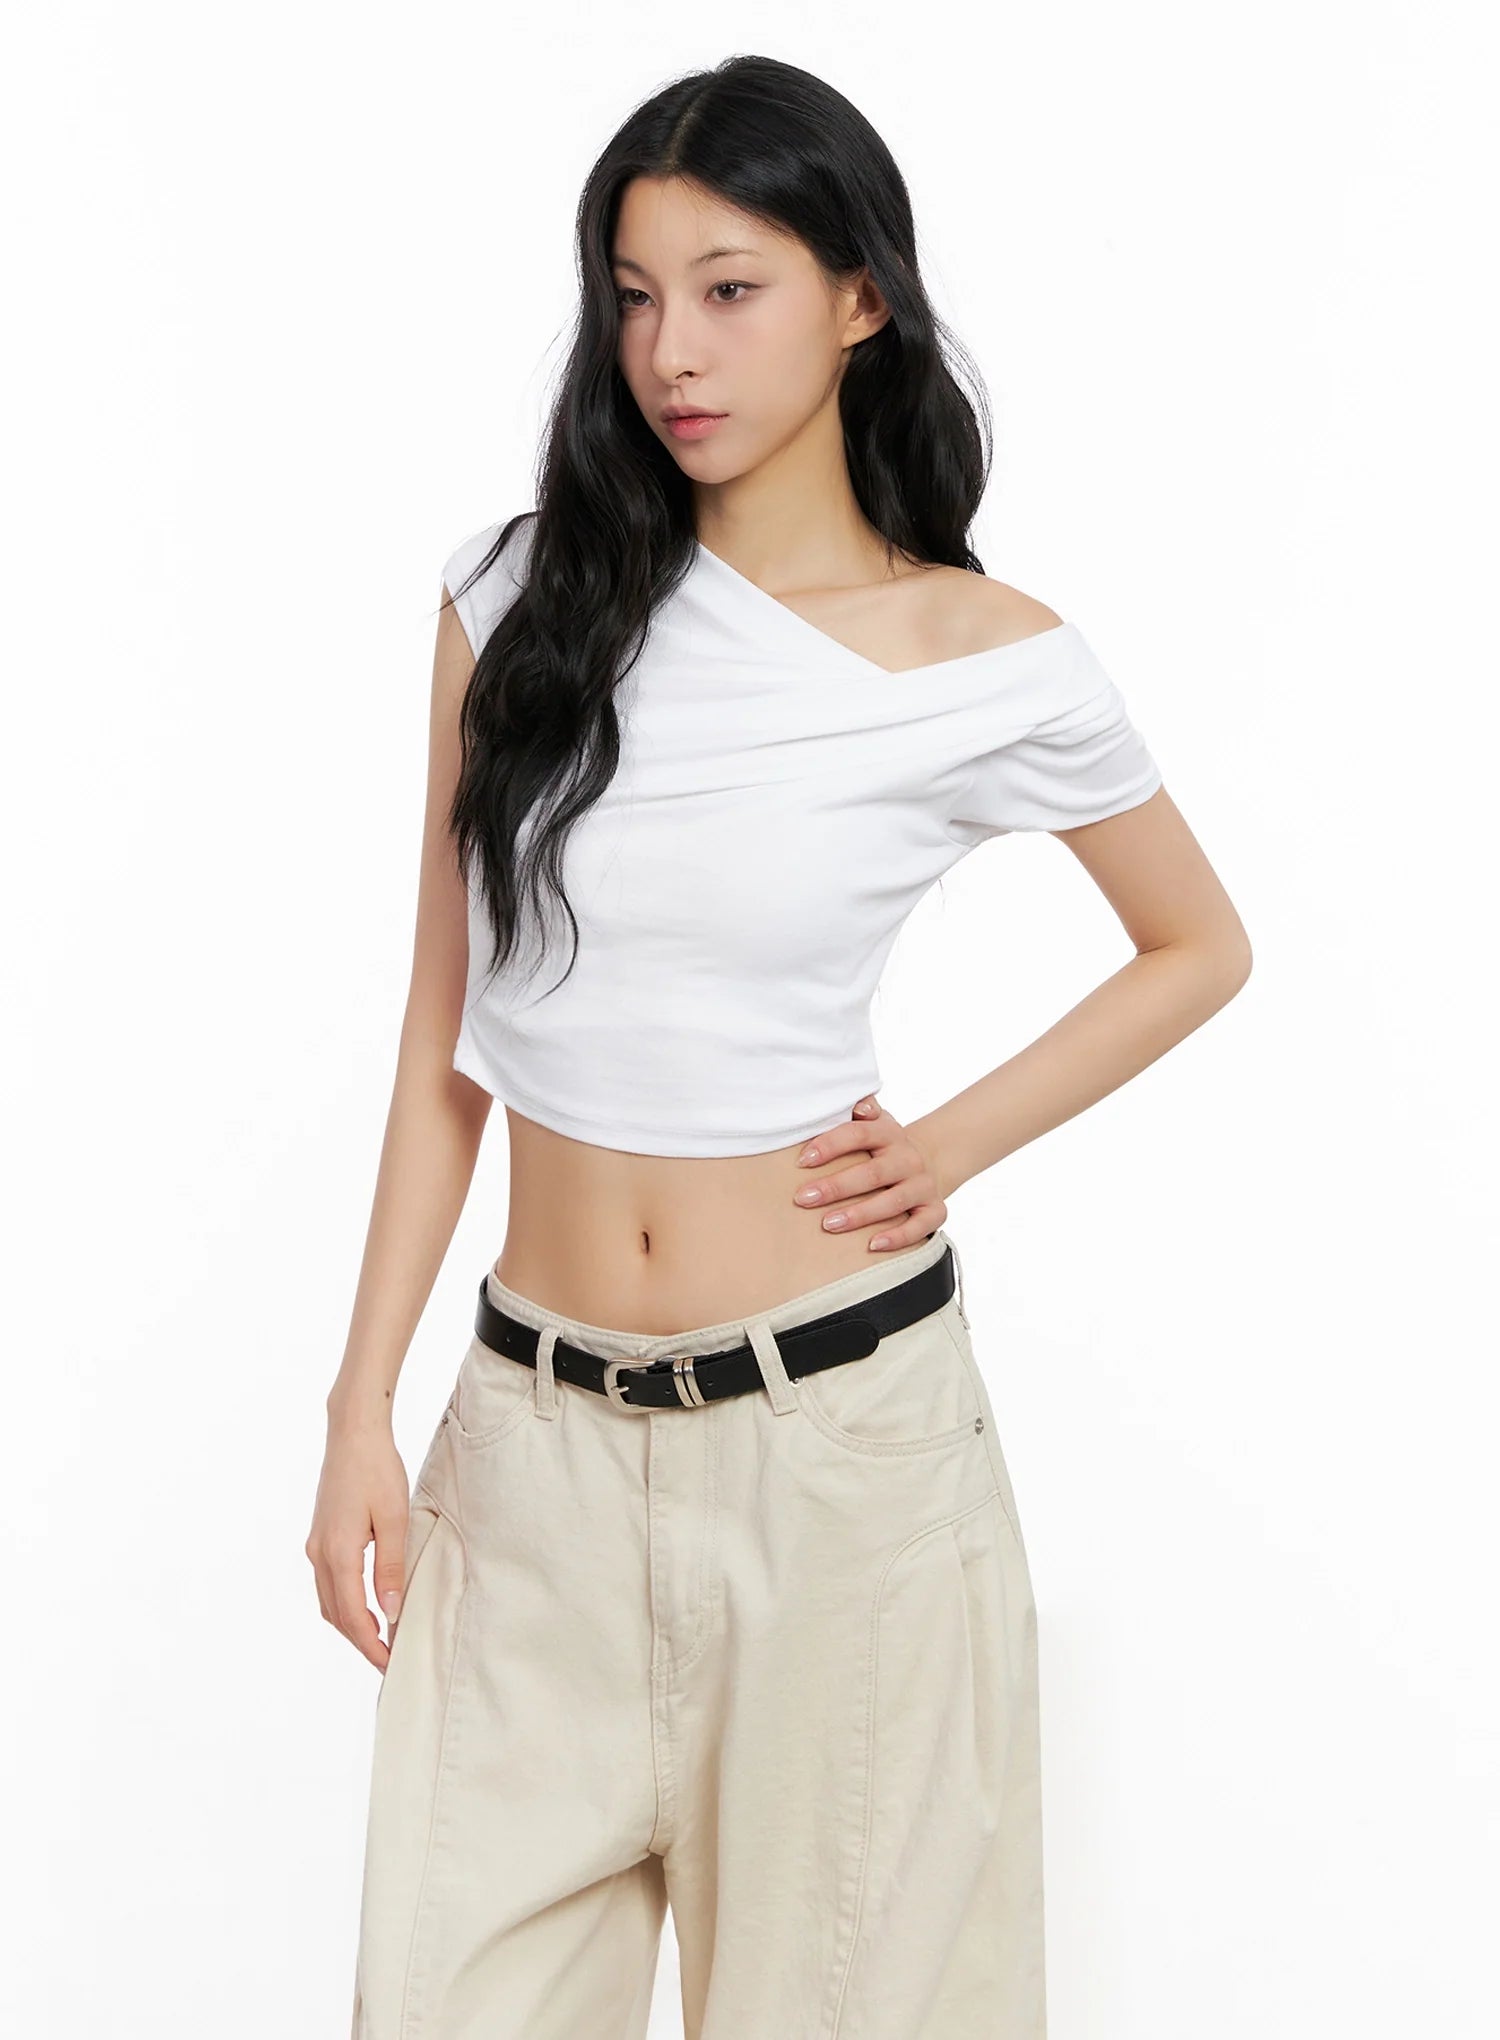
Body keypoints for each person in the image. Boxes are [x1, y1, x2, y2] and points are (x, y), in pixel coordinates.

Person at [309, 53, 1252, 2040]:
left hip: (841, 1468)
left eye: (730, 290)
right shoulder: (518, 600)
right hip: (530, 1457)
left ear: (860, 297)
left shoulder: (977, 657)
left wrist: (952, 1142)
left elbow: (1197, 945)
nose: (673, 351)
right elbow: (440, 1038)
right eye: (635, 296)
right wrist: (358, 1408)